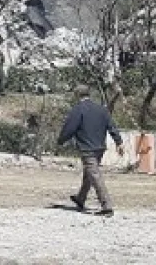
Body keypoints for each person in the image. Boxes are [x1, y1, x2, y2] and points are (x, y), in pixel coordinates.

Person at [57, 85, 125, 216]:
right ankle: (80, 198)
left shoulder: (78, 109)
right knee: (89, 173)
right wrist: (119, 142)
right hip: (100, 147)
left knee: (94, 175)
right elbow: (111, 126)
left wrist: (61, 140)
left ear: (77, 95)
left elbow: (70, 128)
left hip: (87, 147)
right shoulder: (101, 109)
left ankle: (107, 206)